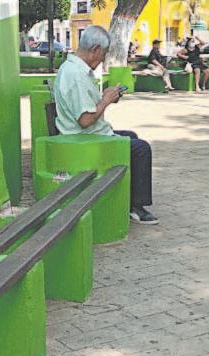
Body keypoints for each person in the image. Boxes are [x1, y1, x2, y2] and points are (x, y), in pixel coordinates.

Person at [52, 25, 158, 225]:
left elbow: (86, 108)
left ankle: (130, 199)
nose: (103, 58)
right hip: (82, 138)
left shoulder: (76, 70)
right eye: (104, 53)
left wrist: (106, 97)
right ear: (95, 50)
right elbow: (85, 120)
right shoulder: (75, 75)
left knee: (131, 136)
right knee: (141, 149)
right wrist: (106, 100)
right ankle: (136, 207)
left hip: (85, 133)